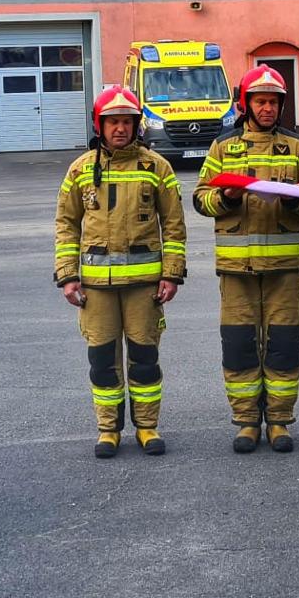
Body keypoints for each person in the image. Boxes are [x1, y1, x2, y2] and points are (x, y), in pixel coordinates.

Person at [193, 65, 299, 453]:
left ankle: (280, 421)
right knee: (239, 345)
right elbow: (201, 199)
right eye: (260, 101)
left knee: (284, 345)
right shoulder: (222, 147)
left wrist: (295, 198)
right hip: (237, 270)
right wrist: (226, 198)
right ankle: (247, 421)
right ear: (245, 104)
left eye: (273, 101)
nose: (267, 108)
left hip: (284, 270)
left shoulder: (297, 146)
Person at [53, 85, 187, 458]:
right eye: (112, 122)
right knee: (102, 361)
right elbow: (66, 224)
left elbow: (174, 224)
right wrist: (68, 275)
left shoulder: (156, 167)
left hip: (144, 286)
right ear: (100, 125)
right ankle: (108, 429)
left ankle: (148, 428)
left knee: (145, 358)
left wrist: (171, 273)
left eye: (126, 122)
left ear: (136, 125)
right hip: (96, 288)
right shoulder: (80, 170)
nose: (120, 129)